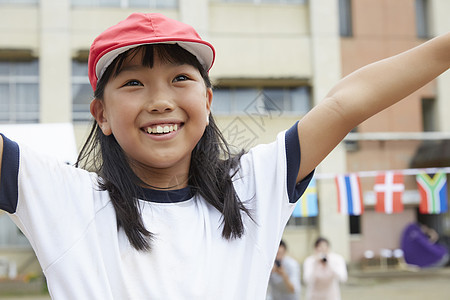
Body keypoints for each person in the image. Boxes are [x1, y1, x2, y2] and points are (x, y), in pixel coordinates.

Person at [0, 12, 449, 299]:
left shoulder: (253, 185)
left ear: (209, 101)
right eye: (133, 83)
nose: (160, 101)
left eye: (180, 79)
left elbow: (345, 103)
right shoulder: (64, 196)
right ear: (101, 114)